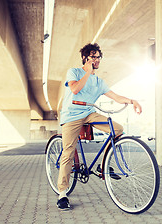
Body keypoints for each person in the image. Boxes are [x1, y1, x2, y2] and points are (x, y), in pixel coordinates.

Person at [56, 43, 142, 210]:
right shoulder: (74, 72)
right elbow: (74, 89)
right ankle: (62, 193)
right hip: (72, 115)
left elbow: (116, 97)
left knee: (117, 129)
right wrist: (87, 72)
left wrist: (132, 101)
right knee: (68, 151)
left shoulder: (99, 82)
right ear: (85, 58)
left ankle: (103, 166)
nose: (96, 60)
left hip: (89, 113)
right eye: (93, 56)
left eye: (98, 57)